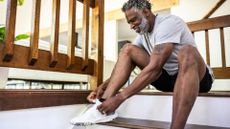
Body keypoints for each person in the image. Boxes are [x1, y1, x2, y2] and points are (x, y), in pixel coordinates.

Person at [74, 0, 214, 128]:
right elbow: (124, 64)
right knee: (127, 49)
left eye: (133, 20)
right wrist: (102, 87)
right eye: (129, 22)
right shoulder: (142, 35)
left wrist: (120, 98)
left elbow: (154, 68)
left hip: (198, 79)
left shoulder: (168, 23)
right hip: (168, 79)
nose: (131, 26)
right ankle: (102, 106)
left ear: (146, 12)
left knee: (187, 52)